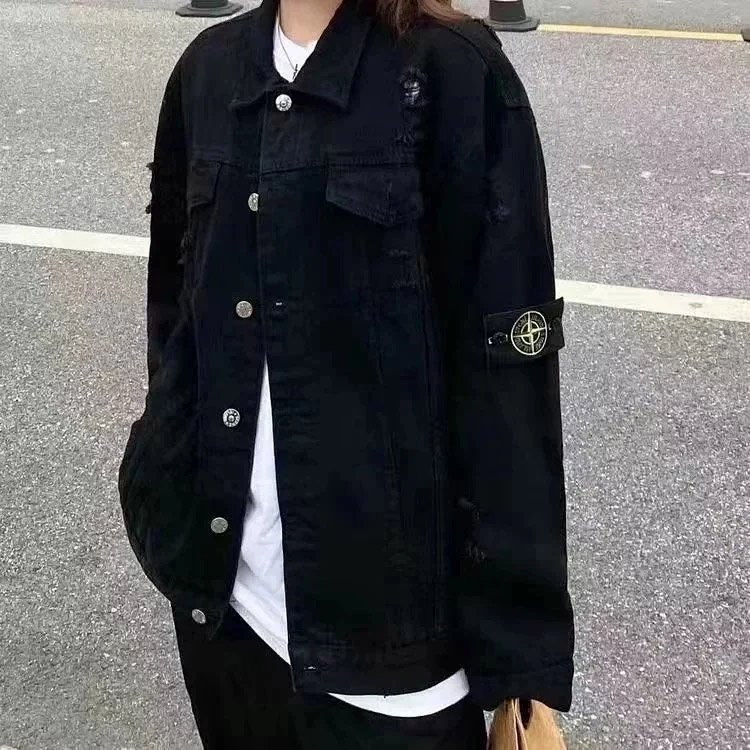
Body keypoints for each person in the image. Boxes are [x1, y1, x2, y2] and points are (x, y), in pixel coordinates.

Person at [118, 0, 574, 746]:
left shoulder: (455, 73)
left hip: (394, 648)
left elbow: (507, 380)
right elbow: (176, 310)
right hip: (226, 609)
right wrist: (164, 462)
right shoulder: (207, 71)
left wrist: (521, 666)